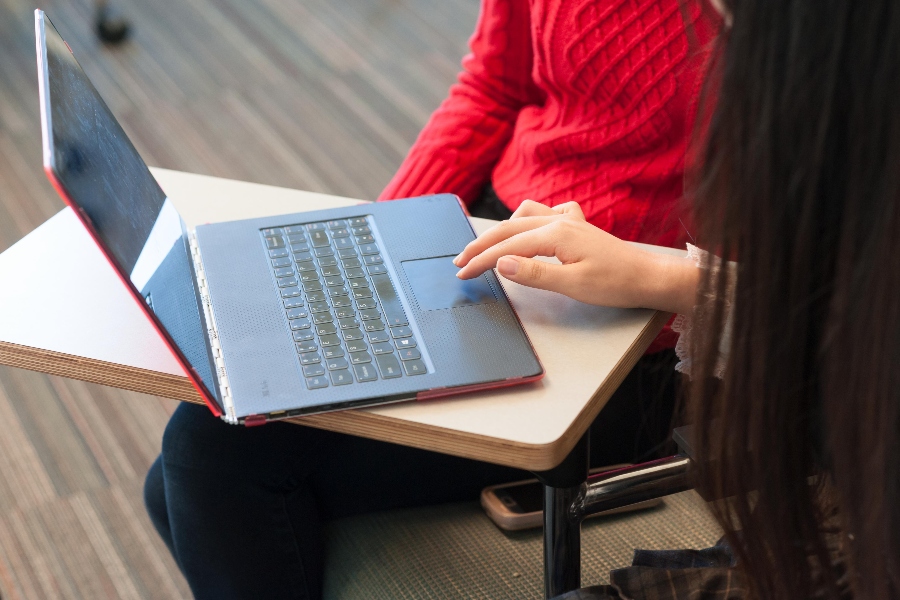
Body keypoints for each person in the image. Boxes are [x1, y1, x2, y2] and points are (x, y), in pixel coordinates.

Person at [144, 1, 719, 599]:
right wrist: (381, 238)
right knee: (194, 469)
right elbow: (493, 86)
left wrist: (658, 271)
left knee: (205, 466)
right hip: (485, 242)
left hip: (636, 334)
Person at [456, 0, 900, 597]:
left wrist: (668, 278)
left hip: (848, 520)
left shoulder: (830, 101)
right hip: (538, 247)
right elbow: (488, 84)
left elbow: (844, 324)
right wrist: (394, 236)